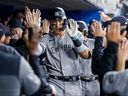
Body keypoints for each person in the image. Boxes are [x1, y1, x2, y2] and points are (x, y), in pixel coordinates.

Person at [39, 7, 90, 96]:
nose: (57, 24)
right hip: (54, 83)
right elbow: (36, 50)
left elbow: (86, 55)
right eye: (54, 22)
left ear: (65, 21)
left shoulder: (75, 34)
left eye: (60, 20)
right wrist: (34, 30)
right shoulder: (46, 38)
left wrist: (75, 39)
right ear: (50, 23)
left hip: (74, 85)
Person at [77, 20, 100, 96]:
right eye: (77, 30)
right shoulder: (71, 45)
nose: (78, 33)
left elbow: (105, 41)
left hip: (94, 82)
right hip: (80, 82)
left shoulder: (93, 42)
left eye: (80, 31)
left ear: (85, 32)